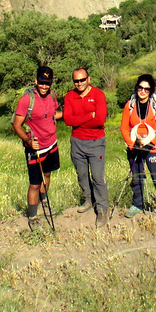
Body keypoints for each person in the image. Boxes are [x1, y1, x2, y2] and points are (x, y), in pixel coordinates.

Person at [120, 74, 156, 227]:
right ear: (137, 87)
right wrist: (132, 146)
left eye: (147, 89)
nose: (143, 91)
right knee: (137, 177)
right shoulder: (130, 105)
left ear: (151, 90)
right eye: (140, 87)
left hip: (152, 148)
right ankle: (137, 204)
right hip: (135, 147)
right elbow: (124, 127)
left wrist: (151, 144)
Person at [12, 66, 62, 229]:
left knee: (47, 175)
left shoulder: (52, 95)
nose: (44, 86)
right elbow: (17, 125)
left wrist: (75, 113)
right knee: (34, 183)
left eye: (47, 83)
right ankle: (33, 216)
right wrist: (27, 140)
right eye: (41, 82)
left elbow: (54, 113)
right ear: (36, 81)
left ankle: (45, 202)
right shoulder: (27, 100)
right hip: (36, 148)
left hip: (51, 144)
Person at [63, 67, 109, 227]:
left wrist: (79, 119)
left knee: (97, 177)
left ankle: (102, 209)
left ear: (88, 79)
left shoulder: (98, 94)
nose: (79, 83)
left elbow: (100, 120)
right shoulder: (70, 96)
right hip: (77, 141)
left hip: (96, 142)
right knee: (82, 175)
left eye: (82, 79)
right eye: (76, 80)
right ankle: (88, 200)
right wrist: (90, 115)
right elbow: (68, 120)